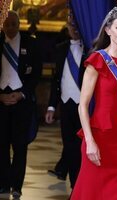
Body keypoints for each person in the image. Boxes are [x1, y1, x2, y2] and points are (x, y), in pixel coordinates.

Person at [71, 5, 117, 200]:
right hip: (100, 138)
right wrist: (90, 142)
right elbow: (83, 106)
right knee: (93, 193)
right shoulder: (97, 61)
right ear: (108, 30)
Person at [0, 11, 42, 198]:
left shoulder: (31, 43)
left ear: (19, 24)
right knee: (1, 146)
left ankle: (17, 186)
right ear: (2, 24)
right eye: (7, 24)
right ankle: (3, 184)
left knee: (20, 147)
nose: (10, 28)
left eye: (13, 24)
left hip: (21, 102)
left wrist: (22, 93)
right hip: (1, 102)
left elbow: (36, 74)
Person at [45, 22, 84, 190]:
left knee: (83, 152)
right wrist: (51, 107)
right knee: (69, 150)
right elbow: (56, 80)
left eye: (77, 25)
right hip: (66, 106)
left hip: (85, 108)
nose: (74, 29)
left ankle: (84, 191)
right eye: (71, 25)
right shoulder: (61, 49)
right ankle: (75, 190)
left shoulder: (91, 47)